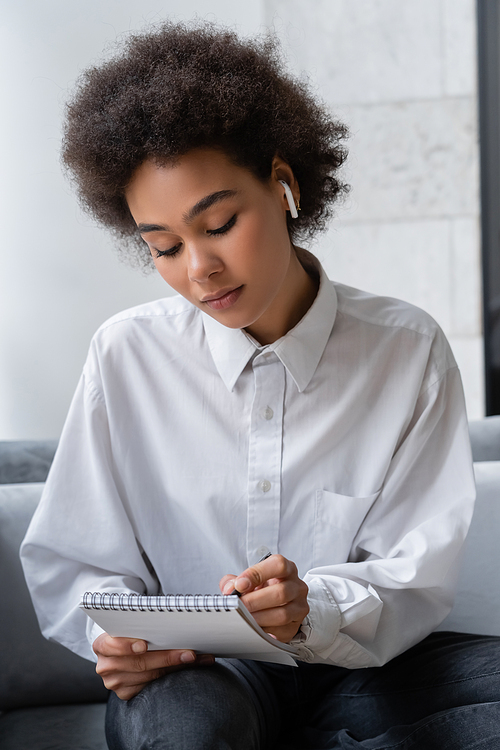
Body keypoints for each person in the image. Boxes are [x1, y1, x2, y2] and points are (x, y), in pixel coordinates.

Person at [20, 20, 500, 750]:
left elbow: (413, 566)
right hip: (197, 671)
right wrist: (112, 637)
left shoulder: (406, 350)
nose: (198, 269)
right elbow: (77, 558)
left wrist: (313, 607)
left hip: (356, 666)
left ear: (283, 184)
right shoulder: (126, 356)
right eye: (165, 247)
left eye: (219, 223)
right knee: (190, 732)